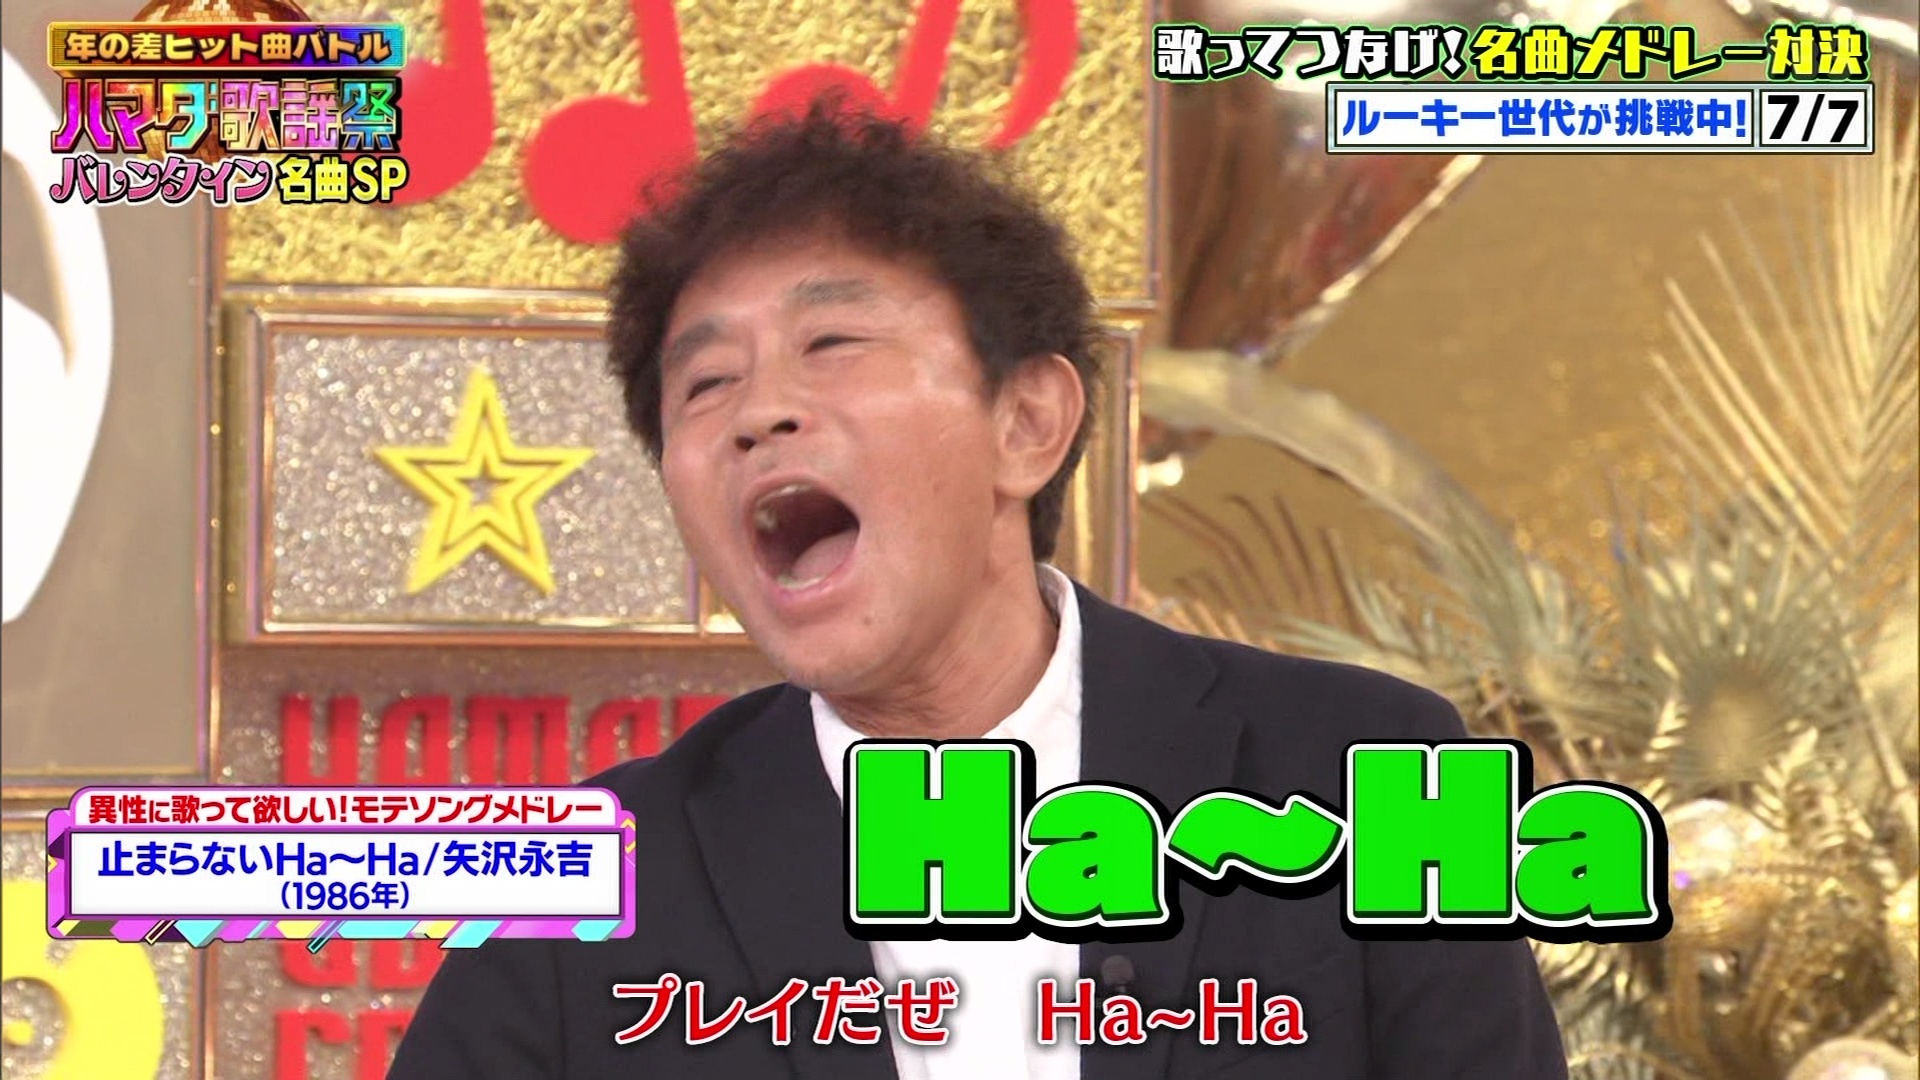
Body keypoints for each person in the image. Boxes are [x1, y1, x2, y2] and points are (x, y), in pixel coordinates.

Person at [390, 100, 1568, 1080]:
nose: (758, 413)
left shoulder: (1364, 779)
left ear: (1027, 423)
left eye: (832, 345)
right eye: (704, 386)